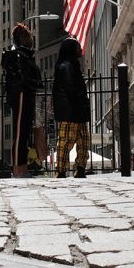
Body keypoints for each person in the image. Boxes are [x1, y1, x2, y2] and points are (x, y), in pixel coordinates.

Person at [1, 23, 42, 178]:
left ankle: (22, 167)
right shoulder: (17, 55)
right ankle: (18, 169)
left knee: (24, 133)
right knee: (20, 133)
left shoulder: (23, 55)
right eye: (27, 36)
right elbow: (20, 78)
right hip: (21, 95)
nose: (30, 39)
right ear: (22, 38)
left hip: (26, 94)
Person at [52, 37, 91, 178]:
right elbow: (71, 88)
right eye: (77, 47)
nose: (80, 50)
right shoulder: (66, 66)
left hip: (77, 109)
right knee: (66, 141)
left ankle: (80, 168)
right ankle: (60, 170)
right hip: (70, 110)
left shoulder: (71, 64)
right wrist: (81, 98)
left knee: (84, 140)